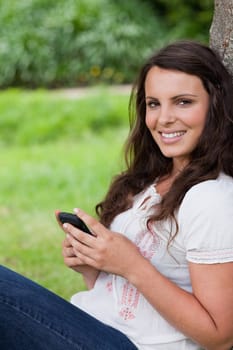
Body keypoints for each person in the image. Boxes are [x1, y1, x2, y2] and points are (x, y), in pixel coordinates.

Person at [0, 40, 233, 350]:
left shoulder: (211, 197)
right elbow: (128, 304)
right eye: (153, 103)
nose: (163, 118)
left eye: (183, 102)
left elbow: (220, 336)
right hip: (95, 329)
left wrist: (131, 265)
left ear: (216, 105)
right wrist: (94, 267)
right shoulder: (150, 183)